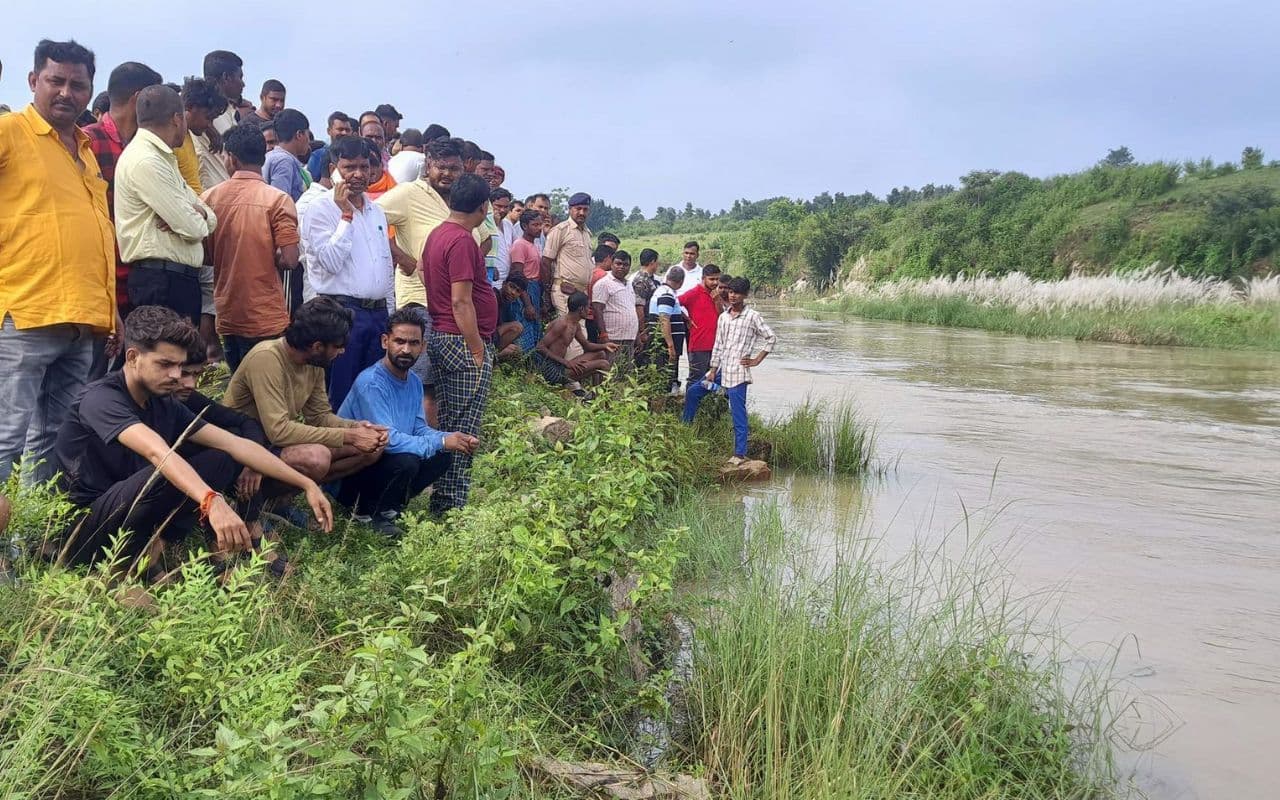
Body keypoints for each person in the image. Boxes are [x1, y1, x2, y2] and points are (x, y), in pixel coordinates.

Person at [53, 306, 333, 571]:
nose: (176, 376)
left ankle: (157, 545)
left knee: (223, 458)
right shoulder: (100, 398)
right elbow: (157, 453)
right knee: (165, 469)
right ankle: (125, 566)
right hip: (87, 524)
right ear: (133, 357)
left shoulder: (162, 401)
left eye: (179, 365)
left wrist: (306, 483)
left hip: (135, 507)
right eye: (165, 364)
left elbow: (234, 444)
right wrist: (212, 500)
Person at [0, 40, 117, 485]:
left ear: (90, 90)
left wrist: (111, 313)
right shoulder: (10, 131)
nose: (66, 92)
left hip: (81, 320)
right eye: (56, 81)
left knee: (53, 438)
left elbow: (98, 235)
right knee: (6, 439)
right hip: (24, 313)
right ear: (33, 81)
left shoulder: (85, 150)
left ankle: (26, 543)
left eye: (78, 84)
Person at [337, 308, 479, 537]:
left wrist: (452, 438)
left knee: (442, 456)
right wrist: (442, 440)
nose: (406, 349)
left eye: (414, 343)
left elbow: (418, 428)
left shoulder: (413, 381)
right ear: (385, 341)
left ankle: (390, 506)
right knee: (407, 461)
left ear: (422, 347)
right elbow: (388, 439)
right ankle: (364, 511)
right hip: (351, 475)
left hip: (384, 460)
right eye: (399, 341)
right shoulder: (372, 383)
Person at [222, 297, 388, 490]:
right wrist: (349, 435)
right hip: (244, 446)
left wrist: (357, 428)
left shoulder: (314, 362)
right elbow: (279, 432)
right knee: (317, 458)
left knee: (370, 448)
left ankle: (281, 501)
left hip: (273, 444)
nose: (342, 351)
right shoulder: (267, 358)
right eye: (337, 346)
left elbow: (319, 417)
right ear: (317, 346)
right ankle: (263, 500)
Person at [421, 173, 497, 514]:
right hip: (460, 339)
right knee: (464, 427)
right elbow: (460, 301)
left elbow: (423, 274)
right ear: (483, 207)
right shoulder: (463, 241)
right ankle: (450, 506)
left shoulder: (437, 234)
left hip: (442, 334)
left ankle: (444, 499)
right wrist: (477, 347)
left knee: (450, 421)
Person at [300, 135, 395, 409]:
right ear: (333, 169)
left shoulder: (377, 211)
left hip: (377, 315)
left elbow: (384, 266)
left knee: (374, 391)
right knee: (341, 394)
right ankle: (339, 450)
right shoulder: (319, 209)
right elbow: (329, 262)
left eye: (364, 167)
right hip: (342, 313)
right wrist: (345, 216)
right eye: (349, 168)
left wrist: (388, 313)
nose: (358, 174)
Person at [83, 61, 163, 378]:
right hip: (101, 281)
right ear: (139, 97)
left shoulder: (146, 149)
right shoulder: (88, 142)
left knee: (128, 376)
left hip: (139, 279)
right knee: (90, 377)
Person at [201, 123, 301, 373]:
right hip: (265, 314)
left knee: (237, 388)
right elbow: (290, 259)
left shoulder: (209, 199)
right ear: (262, 156)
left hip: (227, 311)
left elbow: (204, 256)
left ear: (231, 159)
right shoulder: (278, 200)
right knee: (267, 390)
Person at [115, 84, 216, 328]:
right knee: (163, 361)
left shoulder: (162, 158)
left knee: (178, 362)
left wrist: (198, 213)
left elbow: (210, 217)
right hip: (161, 281)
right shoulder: (146, 160)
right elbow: (195, 229)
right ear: (177, 118)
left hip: (172, 280)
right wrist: (194, 216)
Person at [682, 278, 776, 463]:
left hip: (739, 373)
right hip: (721, 371)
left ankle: (739, 454)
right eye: (731, 292)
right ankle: (685, 430)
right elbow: (719, 345)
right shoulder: (724, 317)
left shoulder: (752, 317)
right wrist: (712, 369)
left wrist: (756, 359)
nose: (733, 296)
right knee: (693, 392)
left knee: (737, 412)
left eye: (737, 293)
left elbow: (771, 338)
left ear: (745, 295)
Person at [533, 292, 616, 397]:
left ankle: (595, 395)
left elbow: (587, 345)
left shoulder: (575, 325)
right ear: (581, 309)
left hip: (562, 366)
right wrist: (566, 363)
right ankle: (604, 400)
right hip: (553, 371)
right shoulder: (562, 324)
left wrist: (605, 345)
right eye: (588, 307)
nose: (589, 311)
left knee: (601, 354)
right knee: (603, 364)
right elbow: (540, 347)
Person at [542, 192, 594, 355]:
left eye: (585, 209)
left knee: (578, 333)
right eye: (578, 209)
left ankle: (570, 374)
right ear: (570, 209)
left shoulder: (587, 233)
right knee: (570, 333)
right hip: (565, 290)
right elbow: (546, 261)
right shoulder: (561, 230)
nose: (581, 213)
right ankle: (570, 375)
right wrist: (547, 291)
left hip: (581, 293)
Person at [591, 249, 644, 372]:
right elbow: (597, 309)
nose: (621, 267)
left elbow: (631, 309)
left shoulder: (629, 284)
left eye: (625, 265)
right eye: (618, 264)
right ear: (612, 264)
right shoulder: (603, 283)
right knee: (611, 372)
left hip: (629, 338)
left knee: (626, 372)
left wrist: (637, 336)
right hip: (612, 337)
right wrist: (603, 334)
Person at [678, 264, 722, 392]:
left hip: (716, 345)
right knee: (696, 378)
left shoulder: (716, 295)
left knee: (713, 378)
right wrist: (686, 318)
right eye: (712, 279)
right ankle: (689, 408)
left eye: (717, 279)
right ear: (703, 278)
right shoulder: (694, 293)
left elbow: (722, 316)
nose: (715, 282)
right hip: (698, 344)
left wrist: (717, 301)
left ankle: (707, 408)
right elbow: (674, 303)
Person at [649, 267, 688, 395]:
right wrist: (670, 345)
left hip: (665, 341)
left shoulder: (665, 292)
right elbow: (664, 319)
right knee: (665, 371)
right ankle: (662, 400)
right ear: (681, 281)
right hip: (664, 343)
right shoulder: (667, 294)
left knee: (666, 371)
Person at [508, 209, 546, 326]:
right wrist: (528, 304)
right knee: (525, 327)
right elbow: (518, 276)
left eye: (540, 224)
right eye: (535, 225)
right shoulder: (520, 245)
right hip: (525, 290)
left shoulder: (534, 245)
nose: (539, 228)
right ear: (524, 226)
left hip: (535, 288)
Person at [203, 50, 248, 134]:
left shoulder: (226, 110)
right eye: (240, 77)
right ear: (226, 77)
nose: (243, 84)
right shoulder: (210, 113)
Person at [497, 272, 539, 356]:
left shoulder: (508, 304)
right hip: (483, 336)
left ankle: (494, 353)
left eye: (517, 291)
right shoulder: (494, 298)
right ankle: (492, 354)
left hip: (493, 336)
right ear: (503, 284)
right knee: (517, 327)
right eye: (511, 287)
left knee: (516, 349)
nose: (513, 292)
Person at [307, 110, 351, 179]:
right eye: (340, 129)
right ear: (329, 131)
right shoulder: (318, 156)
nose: (344, 133)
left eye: (347, 130)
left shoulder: (356, 156)